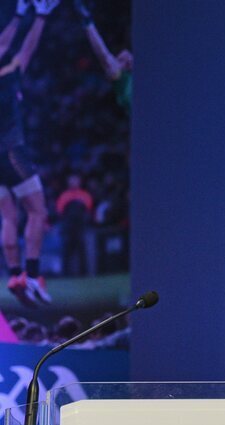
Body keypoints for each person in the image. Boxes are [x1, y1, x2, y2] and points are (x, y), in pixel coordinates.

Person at [0, 0, 59, 306]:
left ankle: (14, 274)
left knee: (9, 217)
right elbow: (23, 49)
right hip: (10, 151)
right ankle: (33, 276)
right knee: (37, 211)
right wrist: (37, 14)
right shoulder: (7, 72)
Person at [72, 0, 130, 114]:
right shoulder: (123, 81)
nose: (124, 58)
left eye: (124, 58)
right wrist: (88, 23)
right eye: (120, 60)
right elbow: (103, 55)